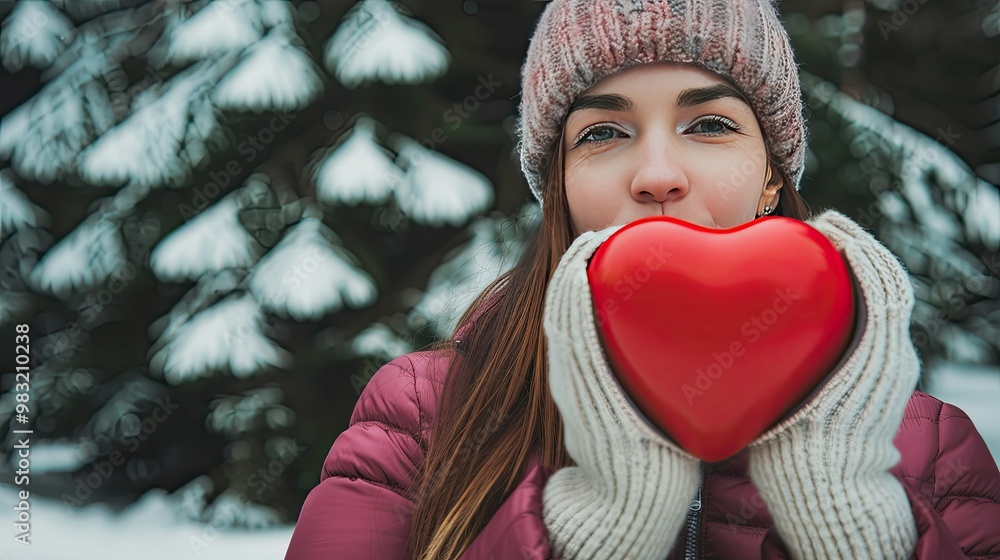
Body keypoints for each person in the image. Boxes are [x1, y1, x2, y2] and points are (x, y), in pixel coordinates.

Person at [284, 1, 1000, 558]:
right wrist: (590, 535)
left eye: (711, 125)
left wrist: (852, 531)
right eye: (602, 133)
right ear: (558, 187)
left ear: (771, 177)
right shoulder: (421, 420)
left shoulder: (933, 449)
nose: (658, 176)